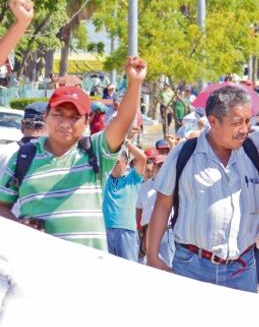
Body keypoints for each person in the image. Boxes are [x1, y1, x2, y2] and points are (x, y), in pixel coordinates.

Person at [145, 65, 259, 292]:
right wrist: (153, 255)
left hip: (241, 271)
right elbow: (162, 205)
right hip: (190, 268)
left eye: (247, 121)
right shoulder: (185, 153)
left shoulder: (254, 149)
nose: (244, 129)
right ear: (213, 122)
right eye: (236, 123)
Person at [0, 57, 148, 250]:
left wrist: (135, 83)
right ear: (46, 116)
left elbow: (123, 121)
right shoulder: (23, 157)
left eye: (74, 117)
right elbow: (2, 206)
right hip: (35, 270)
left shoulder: (94, 152)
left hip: (87, 272)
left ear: (86, 121)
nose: (65, 123)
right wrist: (21, 228)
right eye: (58, 114)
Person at [103, 135, 148, 261]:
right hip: (105, 229)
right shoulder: (105, 178)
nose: (113, 166)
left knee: (129, 272)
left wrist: (126, 142)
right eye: (111, 163)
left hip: (126, 231)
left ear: (126, 163)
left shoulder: (132, 178)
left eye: (116, 163)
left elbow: (142, 158)